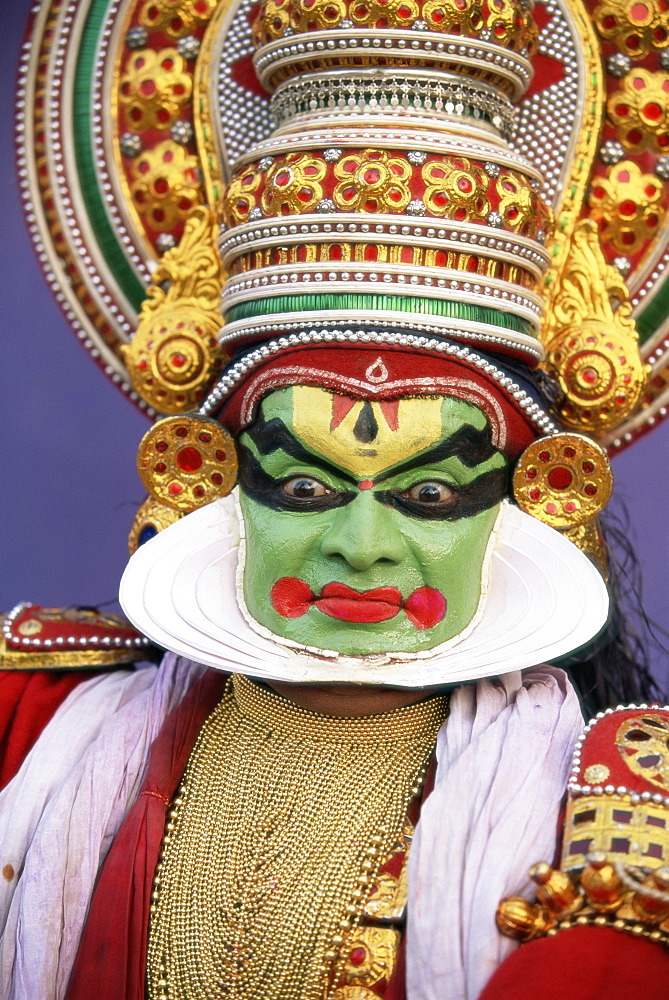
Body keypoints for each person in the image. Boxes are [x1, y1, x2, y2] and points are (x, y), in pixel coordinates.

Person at [2, 0, 669, 995]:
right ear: (209, 477)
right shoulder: (31, 717)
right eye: (306, 484)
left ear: (538, 499)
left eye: (432, 490)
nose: (361, 546)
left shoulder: (618, 814)